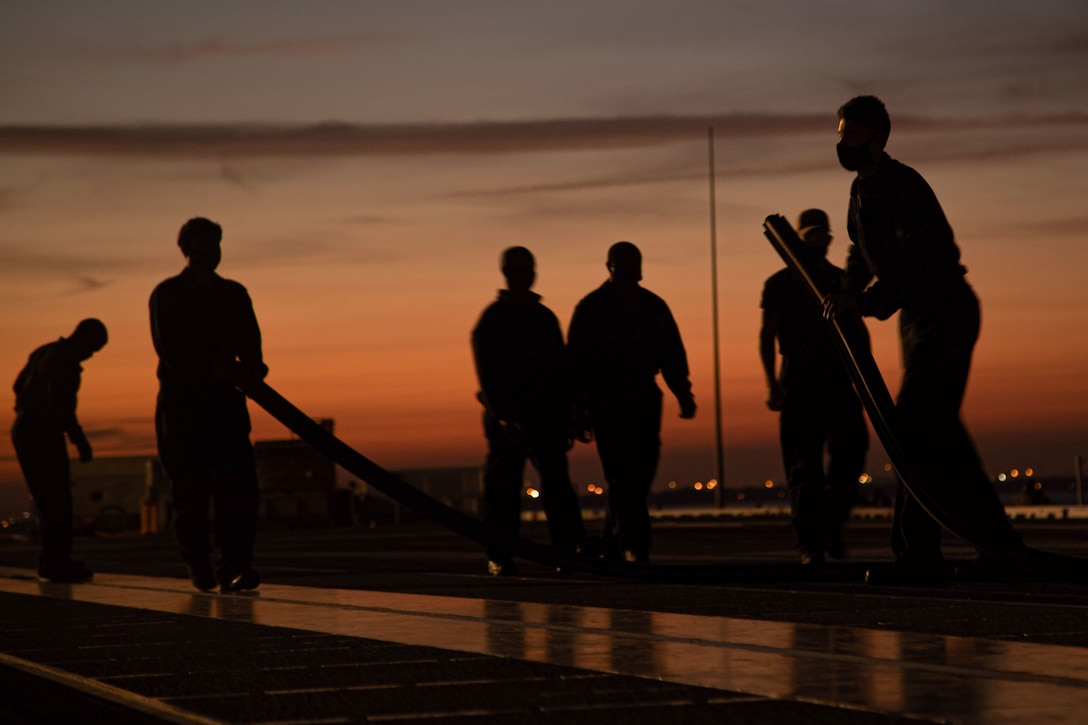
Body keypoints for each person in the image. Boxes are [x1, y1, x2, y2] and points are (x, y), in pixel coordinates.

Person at [824, 95, 1025, 584]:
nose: (841, 142)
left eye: (850, 134)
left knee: (911, 428)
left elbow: (922, 264)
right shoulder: (860, 193)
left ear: (878, 137)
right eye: (839, 133)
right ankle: (998, 547)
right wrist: (846, 293)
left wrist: (867, 303)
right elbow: (859, 252)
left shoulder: (903, 187)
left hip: (944, 311)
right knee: (940, 436)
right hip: (916, 319)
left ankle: (918, 556)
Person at [150, 217, 268, 593]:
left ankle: (235, 565)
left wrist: (252, 369)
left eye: (215, 245)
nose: (210, 253)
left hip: (226, 408)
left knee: (239, 490)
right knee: (191, 493)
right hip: (183, 409)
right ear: (186, 250)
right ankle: (199, 565)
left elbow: (251, 341)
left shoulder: (234, 294)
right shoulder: (167, 295)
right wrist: (208, 368)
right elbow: (169, 349)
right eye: (202, 245)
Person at [568, 242, 696, 563]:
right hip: (606, 398)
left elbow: (672, 353)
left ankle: (615, 538)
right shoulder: (592, 308)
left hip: (644, 396)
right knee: (621, 474)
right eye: (623, 263)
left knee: (640, 471)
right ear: (610, 266)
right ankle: (635, 544)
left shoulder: (654, 306)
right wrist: (579, 411)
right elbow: (576, 364)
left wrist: (683, 392)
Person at [760, 209, 868, 565]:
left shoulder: (840, 281)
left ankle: (828, 528)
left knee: (851, 455)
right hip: (800, 382)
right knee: (804, 468)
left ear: (829, 238)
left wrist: (864, 375)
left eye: (822, 234)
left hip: (838, 379)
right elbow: (768, 333)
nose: (817, 241)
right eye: (810, 235)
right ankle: (812, 544)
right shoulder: (780, 284)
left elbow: (856, 328)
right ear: (800, 238)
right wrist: (771, 383)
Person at [472, 247, 587, 576]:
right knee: (503, 490)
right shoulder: (494, 320)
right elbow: (488, 374)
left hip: (545, 417)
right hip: (510, 419)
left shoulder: (543, 319)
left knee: (556, 486)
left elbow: (561, 371)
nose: (524, 277)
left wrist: (569, 415)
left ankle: (567, 548)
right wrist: (504, 417)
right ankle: (500, 553)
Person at [11, 319, 108, 583]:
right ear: (83, 339)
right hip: (41, 430)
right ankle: (56, 562)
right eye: (93, 348)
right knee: (56, 500)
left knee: (47, 499)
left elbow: (18, 387)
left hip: (26, 426)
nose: (91, 355)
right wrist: (79, 440)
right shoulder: (63, 362)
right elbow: (62, 407)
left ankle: (52, 559)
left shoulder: (44, 351)